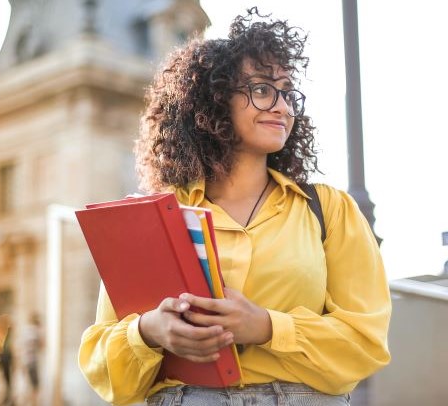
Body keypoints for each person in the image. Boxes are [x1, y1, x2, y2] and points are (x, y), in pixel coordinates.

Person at [79, 8, 391, 406]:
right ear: (214, 101)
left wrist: (266, 327)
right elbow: (101, 364)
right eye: (262, 89)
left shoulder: (329, 209)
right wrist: (149, 332)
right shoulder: (154, 218)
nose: (282, 106)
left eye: (287, 91)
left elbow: (366, 342)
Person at [20, 313, 44, 403]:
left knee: (27, 384)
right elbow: (42, 345)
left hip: (25, 361)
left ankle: (28, 402)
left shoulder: (25, 330)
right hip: (32, 361)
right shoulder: (35, 331)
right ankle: (33, 403)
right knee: (35, 386)